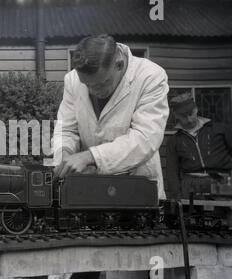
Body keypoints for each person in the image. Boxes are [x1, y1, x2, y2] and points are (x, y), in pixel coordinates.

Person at [52, 34, 169, 199]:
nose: (93, 91)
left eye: (101, 84)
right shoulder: (72, 80)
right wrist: (65, 155)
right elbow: (66, 130)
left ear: (119, 65)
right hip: (88, 189)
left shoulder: (151, 77)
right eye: (87, 85)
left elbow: (145, 138)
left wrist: (91, 156)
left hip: (137, 187)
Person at [166, 92, 232, 199]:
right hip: (190, 187)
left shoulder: (220, 129)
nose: (188, 119)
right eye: (183, 116)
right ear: (176, 115)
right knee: (193, 216)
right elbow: (172, 173)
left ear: (196, 109)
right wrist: (176, 198)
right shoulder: (174, 140)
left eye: (191, 114)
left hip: (221, 182)